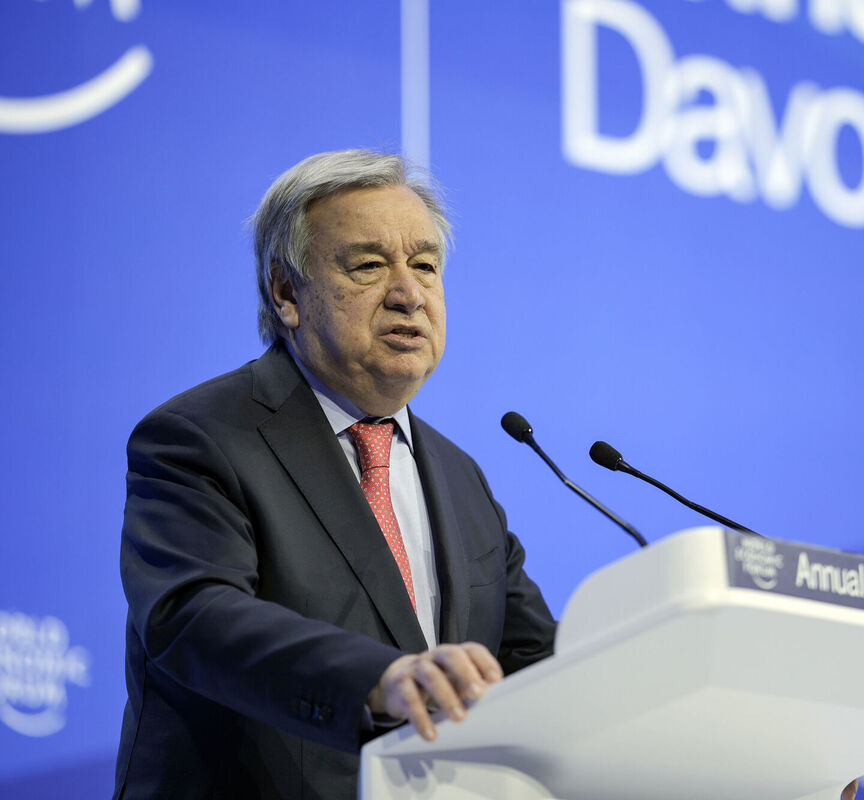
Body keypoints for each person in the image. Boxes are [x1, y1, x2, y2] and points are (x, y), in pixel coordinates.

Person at [114, 150, 558, 799]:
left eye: (426, 266)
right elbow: (191, 616)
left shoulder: (462, 480)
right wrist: (380, 678)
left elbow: (534, 662)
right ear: (287, 293)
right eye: (370, 265)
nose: (409, 292)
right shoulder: (200, 436)